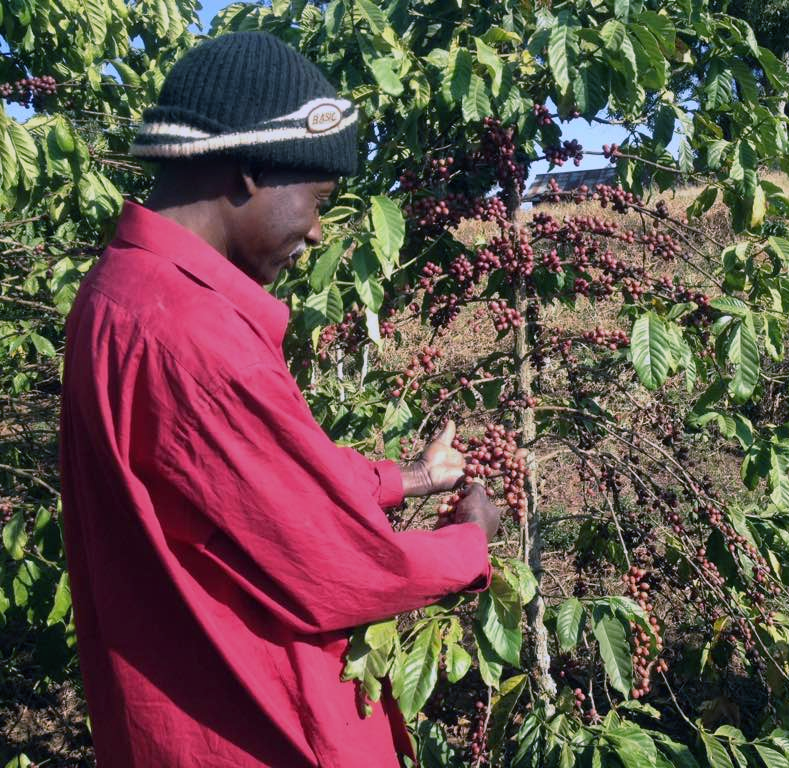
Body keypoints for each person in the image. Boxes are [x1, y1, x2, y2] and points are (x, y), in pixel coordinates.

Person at [59, 31, 500, 768]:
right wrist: (471, 543)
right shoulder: (188, 335)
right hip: (258, 732)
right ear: (250, 171)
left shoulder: (125, 293)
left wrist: (410, 478)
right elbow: (334, 566)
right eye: (318, 199)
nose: (318, 230)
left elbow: (250, 488)